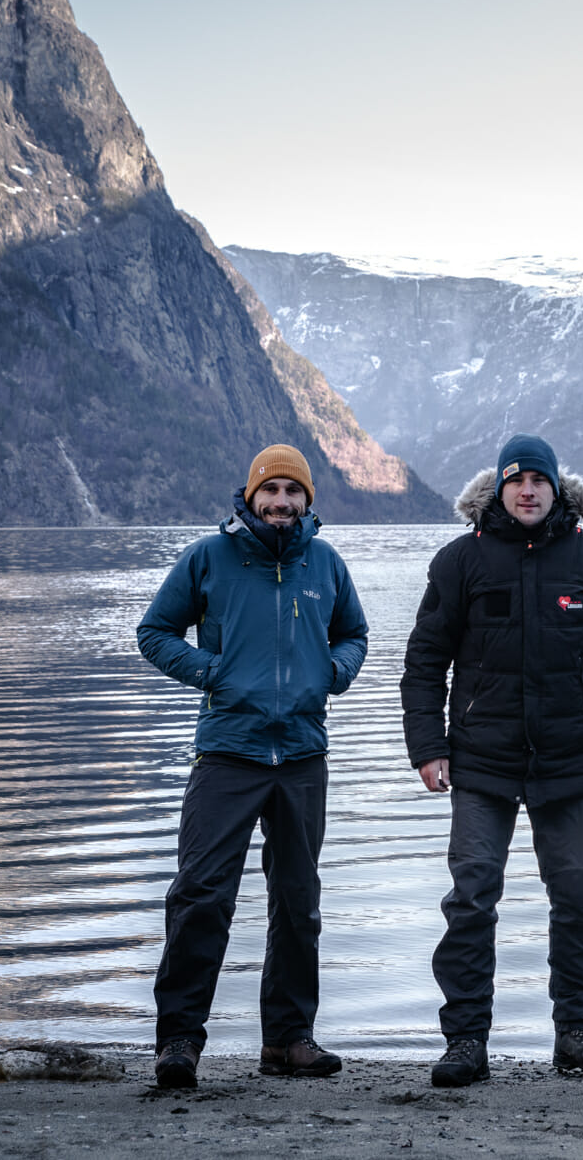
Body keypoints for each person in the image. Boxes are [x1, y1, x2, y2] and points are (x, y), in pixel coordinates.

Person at [402, 434, 583, 1088]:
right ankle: (465, 1040)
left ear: (557, 488)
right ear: (499, 489)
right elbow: (424, 663)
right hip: (480, 763)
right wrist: (427, 747)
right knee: (472, 898)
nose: (528, 490)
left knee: (579, 900)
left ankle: (577, 1031)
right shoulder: (460, 561)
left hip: (569, 763)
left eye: (539, 480)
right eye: (517, 480)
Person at [136, 442, 370, 1088]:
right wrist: (213, 672)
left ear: (307, 501)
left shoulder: (324, 561)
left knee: (298, 902)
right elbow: (155, 632)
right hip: (228, 751)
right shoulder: (207, 558)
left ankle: (288, 1039)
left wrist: (334, 672)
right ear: (251, 495)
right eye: (272, 491)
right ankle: (179, 1040)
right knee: (201, 895)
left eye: (294, 493)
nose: (282, 503)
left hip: (301, 753)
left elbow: (354, 633)